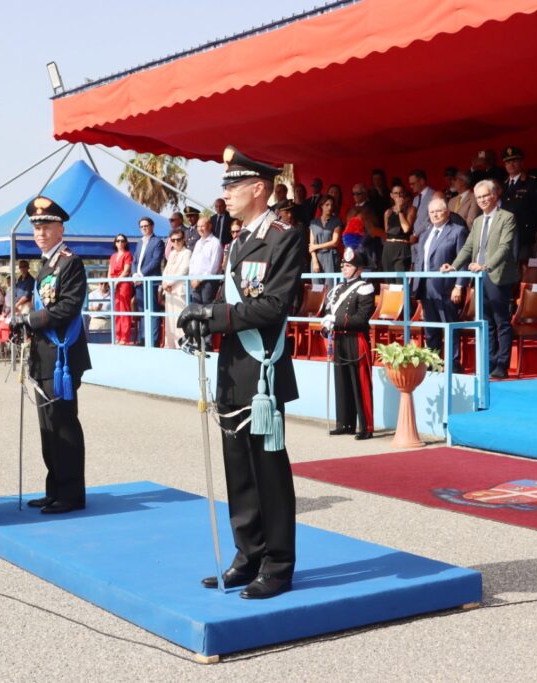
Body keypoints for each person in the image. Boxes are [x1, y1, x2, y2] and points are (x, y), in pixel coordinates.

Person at [177, 145, 301, 600]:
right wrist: (200, 321)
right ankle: (248, 555)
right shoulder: (240, 239)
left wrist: (212, 315)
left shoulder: (285, 236)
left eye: (232, 184)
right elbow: (236, 301)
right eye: (225, 185)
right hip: (233, 367)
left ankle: (278, 564)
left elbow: (272, 306)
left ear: (259, 188)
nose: (225, 193)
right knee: (239, 473)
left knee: (269, 473)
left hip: (263, 370)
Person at [10, 196, 91, 514]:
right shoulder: (46, 264)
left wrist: (30, 319)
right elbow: (44, 305)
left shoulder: (70, 263)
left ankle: (71, 494)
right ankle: (54, 488)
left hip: (63, 357)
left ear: (61, 228)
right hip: (44, 354)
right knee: (47, 426)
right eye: (37, 227)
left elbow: (68, 307)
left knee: (63, 424)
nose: (40, 232)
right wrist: (24, 316)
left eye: (46, 226)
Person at [442, 179, 519, 379]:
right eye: (479, 197)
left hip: (497, 275)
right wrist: (454, 266)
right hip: (478, 278)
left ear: (495, 195)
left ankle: (502, 364)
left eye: (486, 195)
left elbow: (505, 247)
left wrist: (486, 265)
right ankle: (490, 362)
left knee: (501, 321)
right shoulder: (477, 221)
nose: (483, 200)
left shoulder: (507, 217)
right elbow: (468, 248)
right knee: (486, 322)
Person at [322, 247, 377, 439]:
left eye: (349, 266)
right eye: (343, 265)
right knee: (342, 381)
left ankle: (366, 427)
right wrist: (326, 325)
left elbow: (362, 318)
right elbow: (329, 313)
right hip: (339, 338)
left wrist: (335, 321)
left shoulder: (365, 287)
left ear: (359, 269)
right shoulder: (338, 289)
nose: (344, 269)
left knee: (359, 383)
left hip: (356, 339)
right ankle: (345, 423)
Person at [415, 197, 468, 369]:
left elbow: (463, 260)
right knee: (431, 330)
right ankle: (432, 364)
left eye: (438, 211)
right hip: (426, 288)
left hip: (447, 288)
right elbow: (419, 261)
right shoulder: (425, 234)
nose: (435, 215)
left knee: (450, 328)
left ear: (447, 212)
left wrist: (459, 285)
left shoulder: (457, 231)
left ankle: (453, 366)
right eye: (432, 212)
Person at [500, 146, 537, 263]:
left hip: (524, 234)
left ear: (521, 162)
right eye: (508, 162)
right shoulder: (503, 185)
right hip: (506, 235)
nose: (511, 165)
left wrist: (533, 232)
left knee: (523, 266)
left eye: (514, 161)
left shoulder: (530, 182)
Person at [134, 216, 165, 347]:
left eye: (146, 226)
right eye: (142, 226)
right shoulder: (139, 242)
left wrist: (141, 274)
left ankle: (154, 339)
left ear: (152, 226)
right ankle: (143, 338)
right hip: (139, 283)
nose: (144, 228)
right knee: (142, 311)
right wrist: (134, 274)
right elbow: (135, 261)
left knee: (153, 311)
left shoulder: (157, 242)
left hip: (151, 282)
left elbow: (155, 261)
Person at [161, 228, 192, 349]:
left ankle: (182, 344)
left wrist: (169, 283)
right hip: (169, 290)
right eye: (173, 240)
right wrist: (164, 283)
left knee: (180, 318)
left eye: (178, 239)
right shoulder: (172, 253)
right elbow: (166, 270)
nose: (176, 242)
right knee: (170, 318)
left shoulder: (187, 252)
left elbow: (184, 270)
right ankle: (171, 344)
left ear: (183, 239)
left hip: (179, 290)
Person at [189, 215, 223, 305]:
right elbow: (192, 262)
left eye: (202, 226)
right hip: (194, 282)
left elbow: (214, 267)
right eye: (198, 226)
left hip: (208, 282)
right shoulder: (198, 242)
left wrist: (199, 280)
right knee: (195, 309)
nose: (200, 229)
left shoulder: (215, 243)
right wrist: (192, 278)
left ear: (210, 226)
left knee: (206, 310)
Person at [382, 184, 415, 274]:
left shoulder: (410, 209)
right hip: (389, 247)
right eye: (396, 193)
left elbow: (406, 229)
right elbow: (387, 231)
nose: (399, 196)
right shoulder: (388, 212)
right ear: (391, 195)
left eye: (401, 193)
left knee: (400, 279)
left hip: (402, 247)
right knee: (389, 280)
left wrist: (400, 210)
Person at [108, 232, 135, 344]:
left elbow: (126, 270)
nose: (120, 243)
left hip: (123, 283)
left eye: (122, 241)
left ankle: (125, 337)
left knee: (124, 309)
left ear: (126, 243)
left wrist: (117, 281)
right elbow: (109, 271)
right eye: (118, 241)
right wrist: (110, 282)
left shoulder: (128, 254)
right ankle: (117, 335)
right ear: (115, 243)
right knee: (116, 310)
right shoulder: (113, 256)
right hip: (114, 283)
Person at [309, 195, 342, 283]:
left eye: (331, 205)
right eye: (327, 205)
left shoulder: (336, 221)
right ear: (321, 206)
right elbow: (311, 245)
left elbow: (335, 242)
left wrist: (317, 246)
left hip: (331, 256)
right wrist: (315, 261)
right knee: (317, 288)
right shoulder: (314, 222)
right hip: (317, 257)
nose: (330, 207)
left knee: (330, 286)